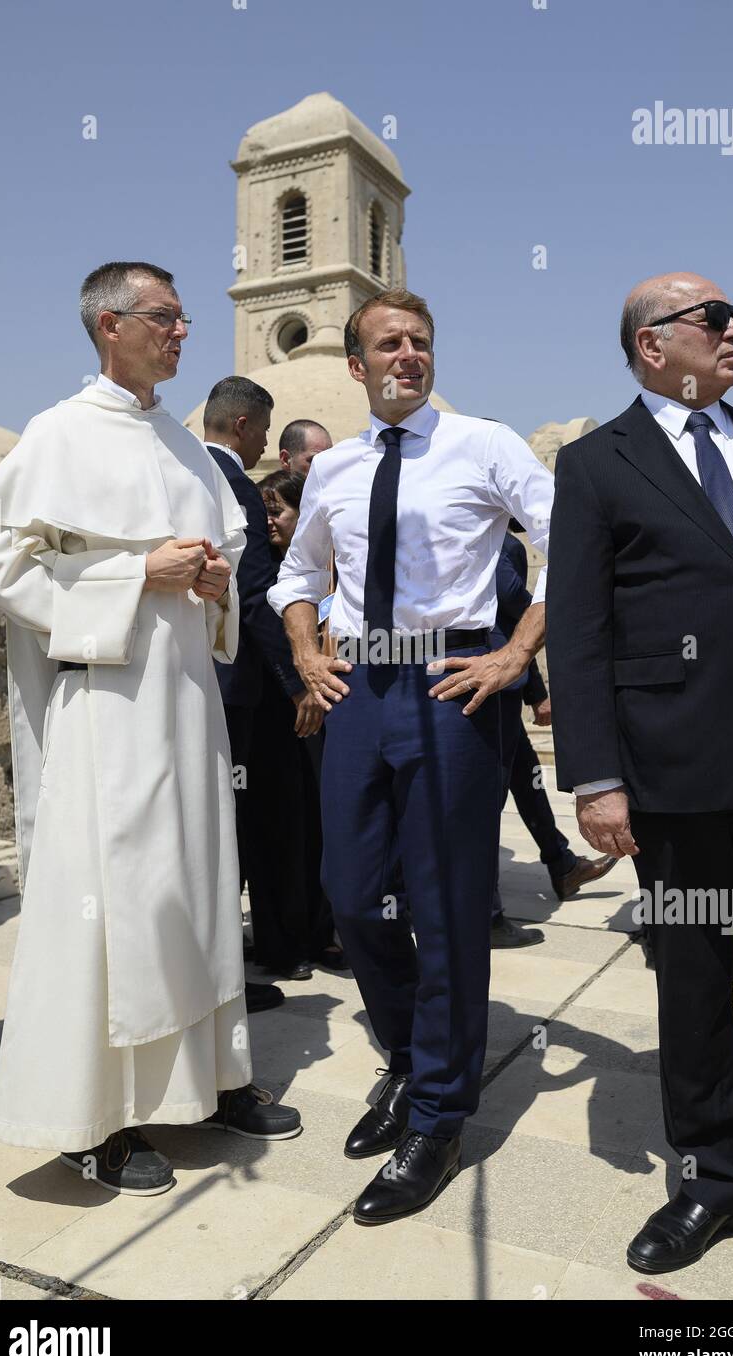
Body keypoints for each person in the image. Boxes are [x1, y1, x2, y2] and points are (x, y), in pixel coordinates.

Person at [0, 262, 301, 1197]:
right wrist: (130, 575)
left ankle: (212, 1079)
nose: (183, 333)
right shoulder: (59, 435)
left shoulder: (185, 448)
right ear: (110, 325)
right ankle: (93, 1118)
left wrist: (212, 587)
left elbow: (221, 560)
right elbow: (6, 568)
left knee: (194, 887)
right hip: (109, 706)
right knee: (108, 902)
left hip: (186, 701)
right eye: (166, 318)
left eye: (185, 319)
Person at [547, 272, 733, 1287]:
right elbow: (575, 636)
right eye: (713, 318)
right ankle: (712, 1180)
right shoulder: (594, 464)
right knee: (696, 986)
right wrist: (595, 779)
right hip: (673, 778)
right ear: (651, 342)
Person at [268, 288, 554, 1223]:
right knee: (352, 896)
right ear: (356, 366)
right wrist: (308, 649)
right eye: (388, 345)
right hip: (360, 688)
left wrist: (517, 653)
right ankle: (405, 1056)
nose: (407, 356)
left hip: (448, 687)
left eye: (420, 343)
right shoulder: (336, 466)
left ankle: (438, 1110)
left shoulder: (485, 444)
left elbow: (568, 545)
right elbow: (301, 572)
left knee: (446, 906)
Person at [203, 378, 324, 989]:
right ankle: (240, 968)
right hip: (240, 691)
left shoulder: (181, 467)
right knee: (246, 827)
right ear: (246, 426)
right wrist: (299, 680)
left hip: (194, 683)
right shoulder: (236, 488)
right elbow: (252, 597)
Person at [490, 522, 616, 948]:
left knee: (527, 780)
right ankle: (486, 913)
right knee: (485, 798)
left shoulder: (499, 540)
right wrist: (556, 604)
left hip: (503, 683)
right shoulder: (499, 542)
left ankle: (561, 863)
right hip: (493, 683)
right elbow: (513, 608)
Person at [256, 468, 346, 975]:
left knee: (321, 827)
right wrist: (299, 688)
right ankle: (289, 940)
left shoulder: (323, 574)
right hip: (284, 716)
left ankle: (322, 931)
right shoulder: (264, 570)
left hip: (322, 709)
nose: (270, 521)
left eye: (279, 511)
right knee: (286, 832)